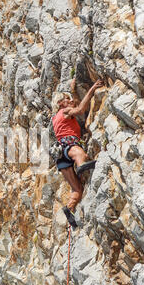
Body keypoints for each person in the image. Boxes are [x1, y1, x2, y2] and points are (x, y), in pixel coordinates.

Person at [52, 78, 104, 212]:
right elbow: (80, 109)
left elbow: (76, 104)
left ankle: (69, 209)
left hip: (61, 155)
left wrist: (73, 90)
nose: (70, 101)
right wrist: (92, 89)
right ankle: (81, 167)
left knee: (77, 190)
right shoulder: (64, 112)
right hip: (69, 146)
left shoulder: (56, 117)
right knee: (81, 155)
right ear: (60, 103)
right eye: (67, 99)